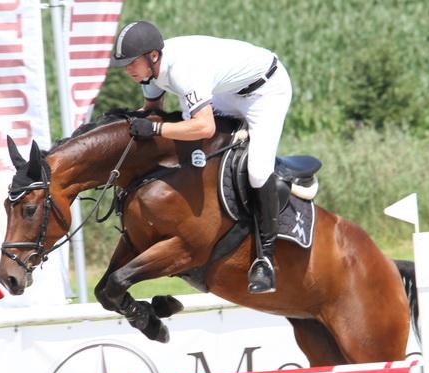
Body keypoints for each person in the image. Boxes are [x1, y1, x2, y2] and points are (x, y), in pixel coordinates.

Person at [110, 21, 293, 295]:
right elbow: (151, 110)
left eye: (131, 63)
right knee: (191, 144)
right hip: (227, 92)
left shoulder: (184, 71)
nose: (127, 70)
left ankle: (265, 259)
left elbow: (204, 127)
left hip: (265, 92)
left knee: (257, 169)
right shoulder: (150, 73)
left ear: (153, 56)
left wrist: (157, 130)